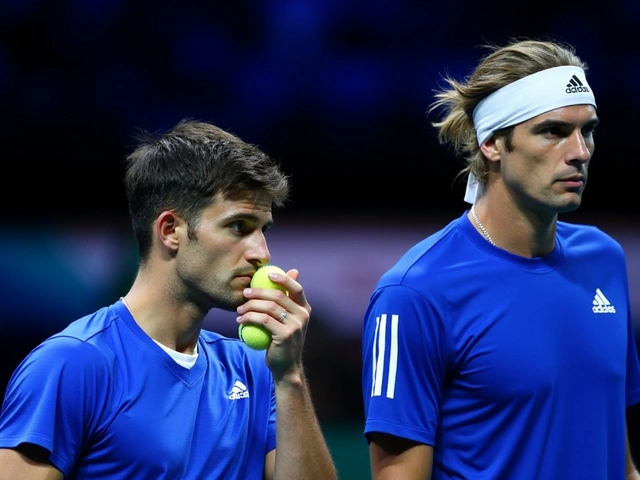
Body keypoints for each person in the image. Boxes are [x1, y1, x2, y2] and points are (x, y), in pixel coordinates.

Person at [361, 38, 640, 479]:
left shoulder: (604, 259)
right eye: (553, 131)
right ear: (492, 143)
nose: (580, 152)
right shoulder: (412, 293)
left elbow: (618, 458)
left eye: (587, 130)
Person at [0, 119, 338, 480]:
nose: (262, 253)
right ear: (170, 231)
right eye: (239, 227)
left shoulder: (253, 369)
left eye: (263, 230)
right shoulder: (72, 364)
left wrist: (289, 376)